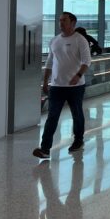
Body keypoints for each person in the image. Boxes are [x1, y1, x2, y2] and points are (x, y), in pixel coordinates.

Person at [33, 12, 92, 158]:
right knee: (52, 116)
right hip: (57, 86)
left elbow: (87, 61)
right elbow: (49, 62)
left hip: (75, 87)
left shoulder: (80, 40)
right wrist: (45, 81)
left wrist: (78, 76)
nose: (60, 23)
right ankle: (45, 148)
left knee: (77, 114)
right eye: (59, 20)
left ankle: (78, 140)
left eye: (64, 20)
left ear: (73, 23)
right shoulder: (54, 41)